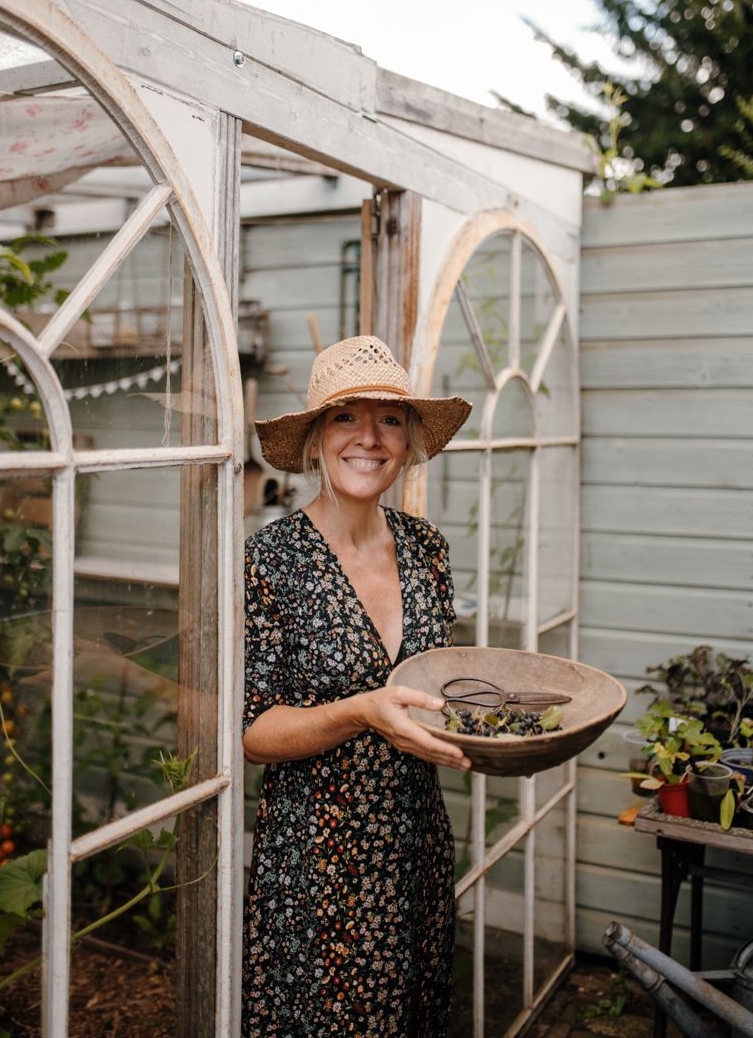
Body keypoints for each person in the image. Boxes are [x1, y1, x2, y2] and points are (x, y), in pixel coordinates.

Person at [242, 334, 472, 1038]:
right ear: (314, 439)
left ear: (409, 442)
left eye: (390, 419)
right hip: (318, 859)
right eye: (346, 417)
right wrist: (365, 712)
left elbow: (438, 680)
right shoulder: (270, 560)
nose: (369, 438)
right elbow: (254, 734)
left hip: (416, 844)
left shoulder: (424, 547)